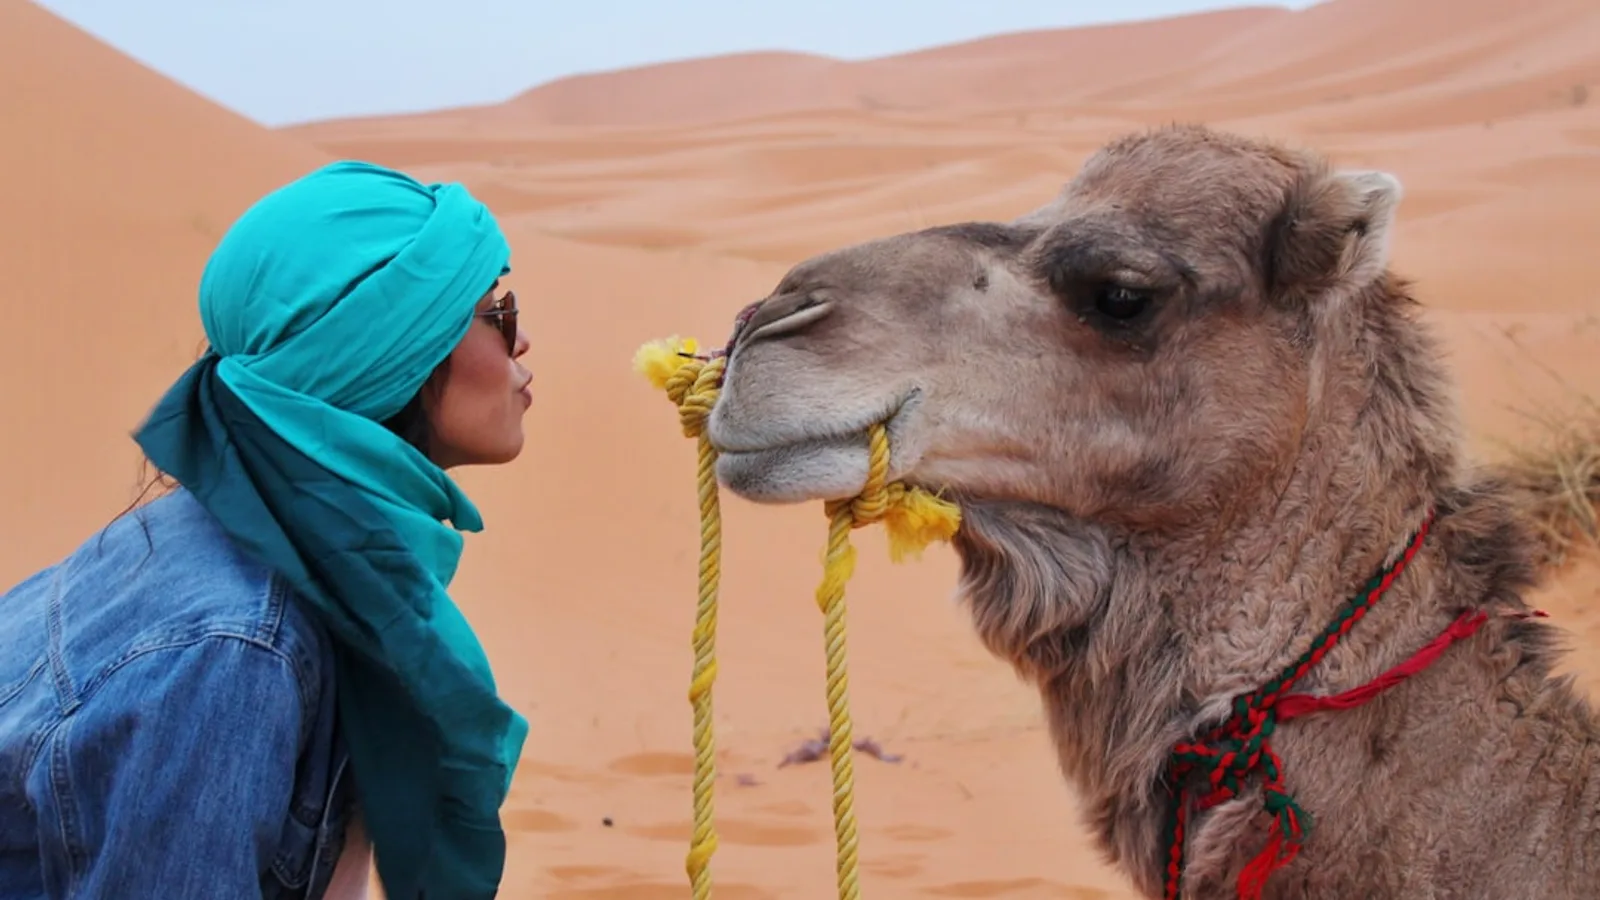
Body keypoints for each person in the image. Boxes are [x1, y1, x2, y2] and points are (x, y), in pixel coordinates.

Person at [0, 160, 534, 899]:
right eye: (496, 313)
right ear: (389, 353)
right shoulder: (232, 651)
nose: (523, 341)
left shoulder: (281, 552)